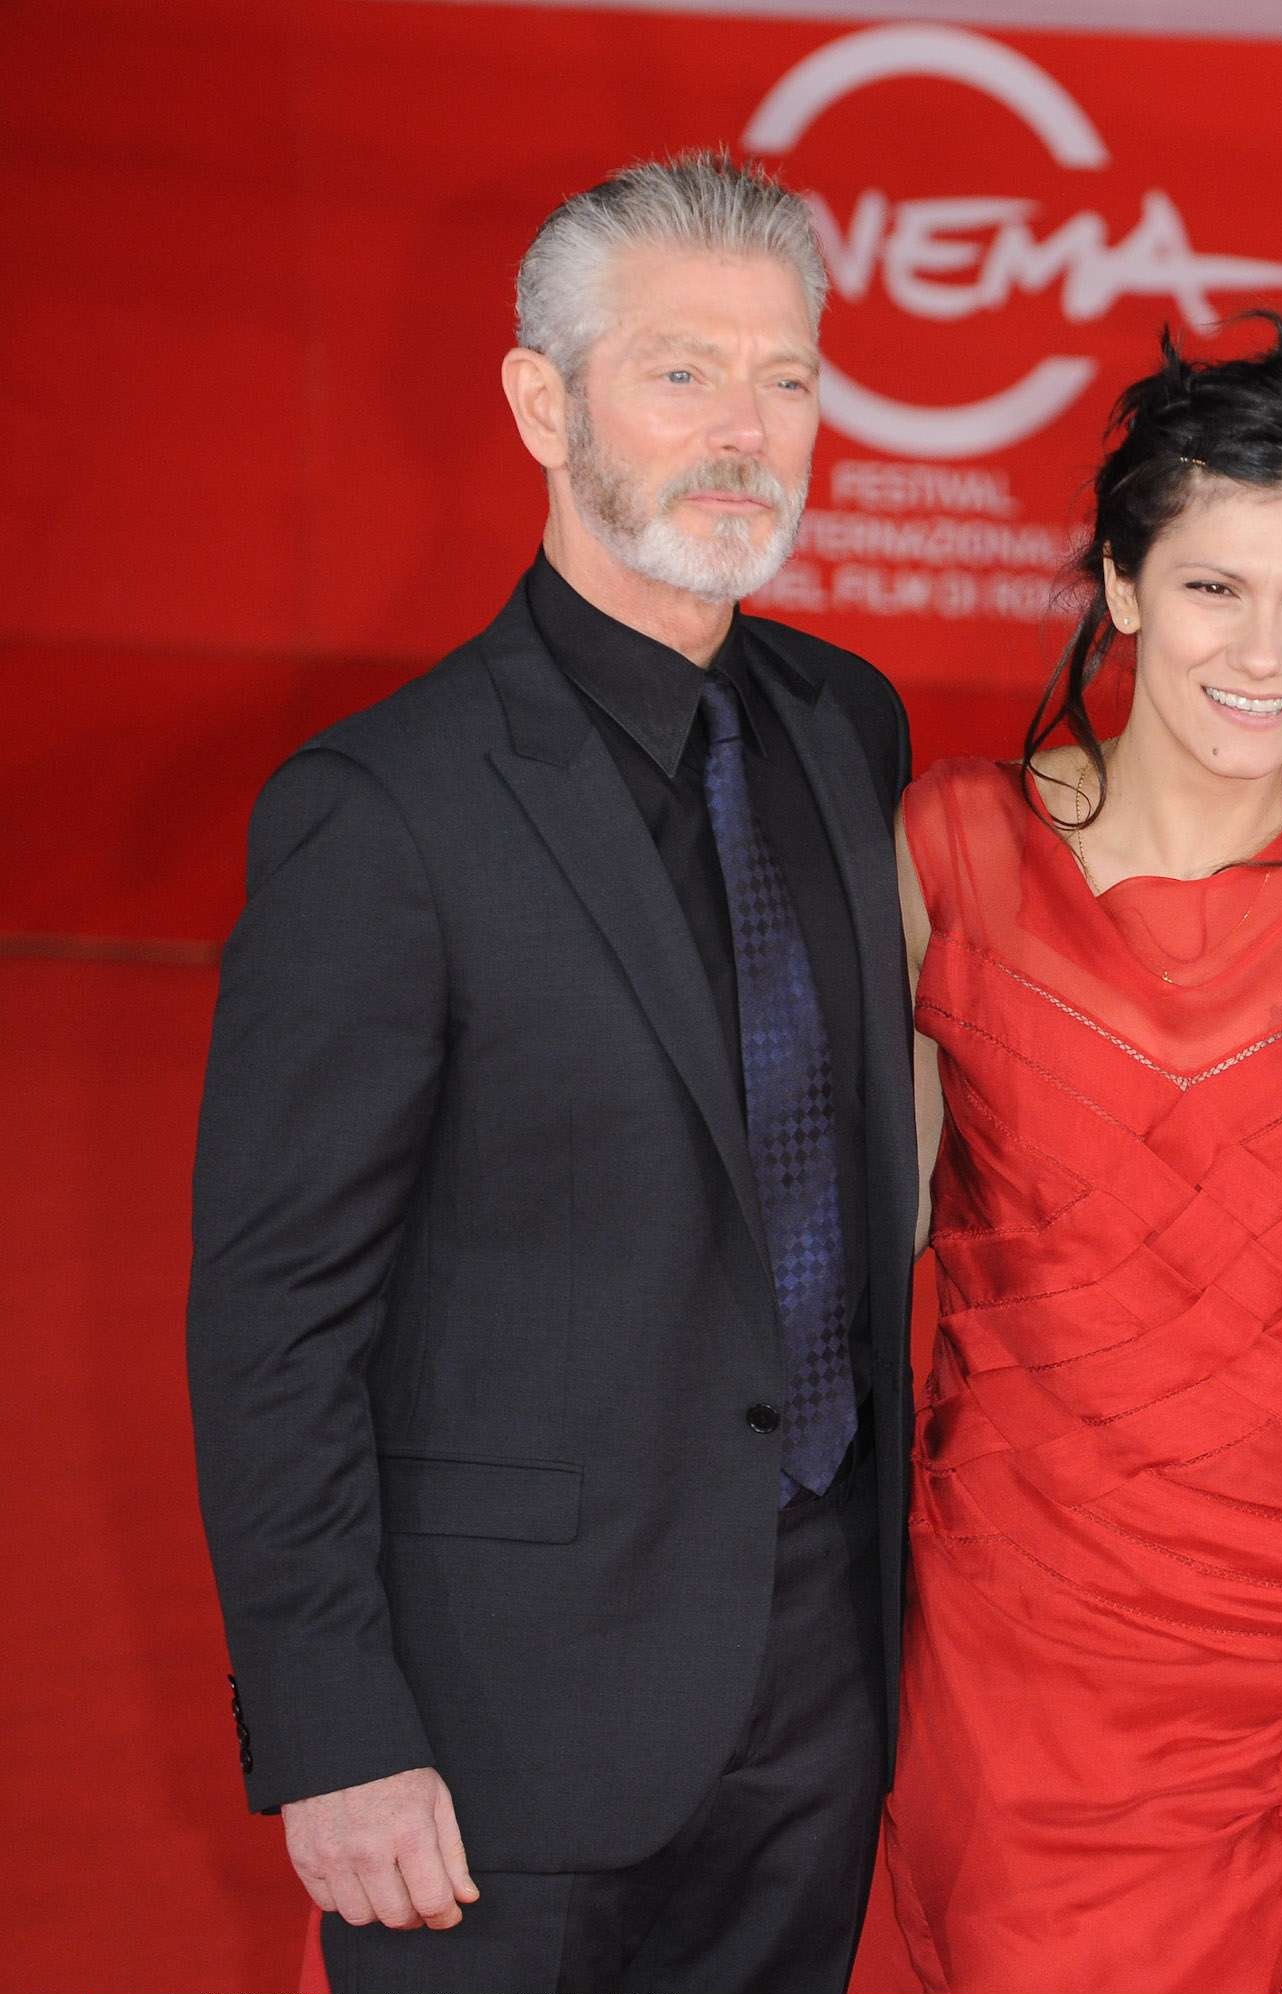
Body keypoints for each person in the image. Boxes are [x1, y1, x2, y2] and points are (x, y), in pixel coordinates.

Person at [185, 153, 916, 1993]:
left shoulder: (847, 724)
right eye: (682, 372)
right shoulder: (381, 811)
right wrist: (334, 1723)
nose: (745, 431)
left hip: (825, 1681)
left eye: (786, 377)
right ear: (540, 402)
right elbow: (274, 1315)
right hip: (500, 1723)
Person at [883, 316, 1282, 1994]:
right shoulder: (950, 847)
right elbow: (866, 1239)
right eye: (1213, 588)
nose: (1267, 651)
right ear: (1120, 585)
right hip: (1025, 1645)